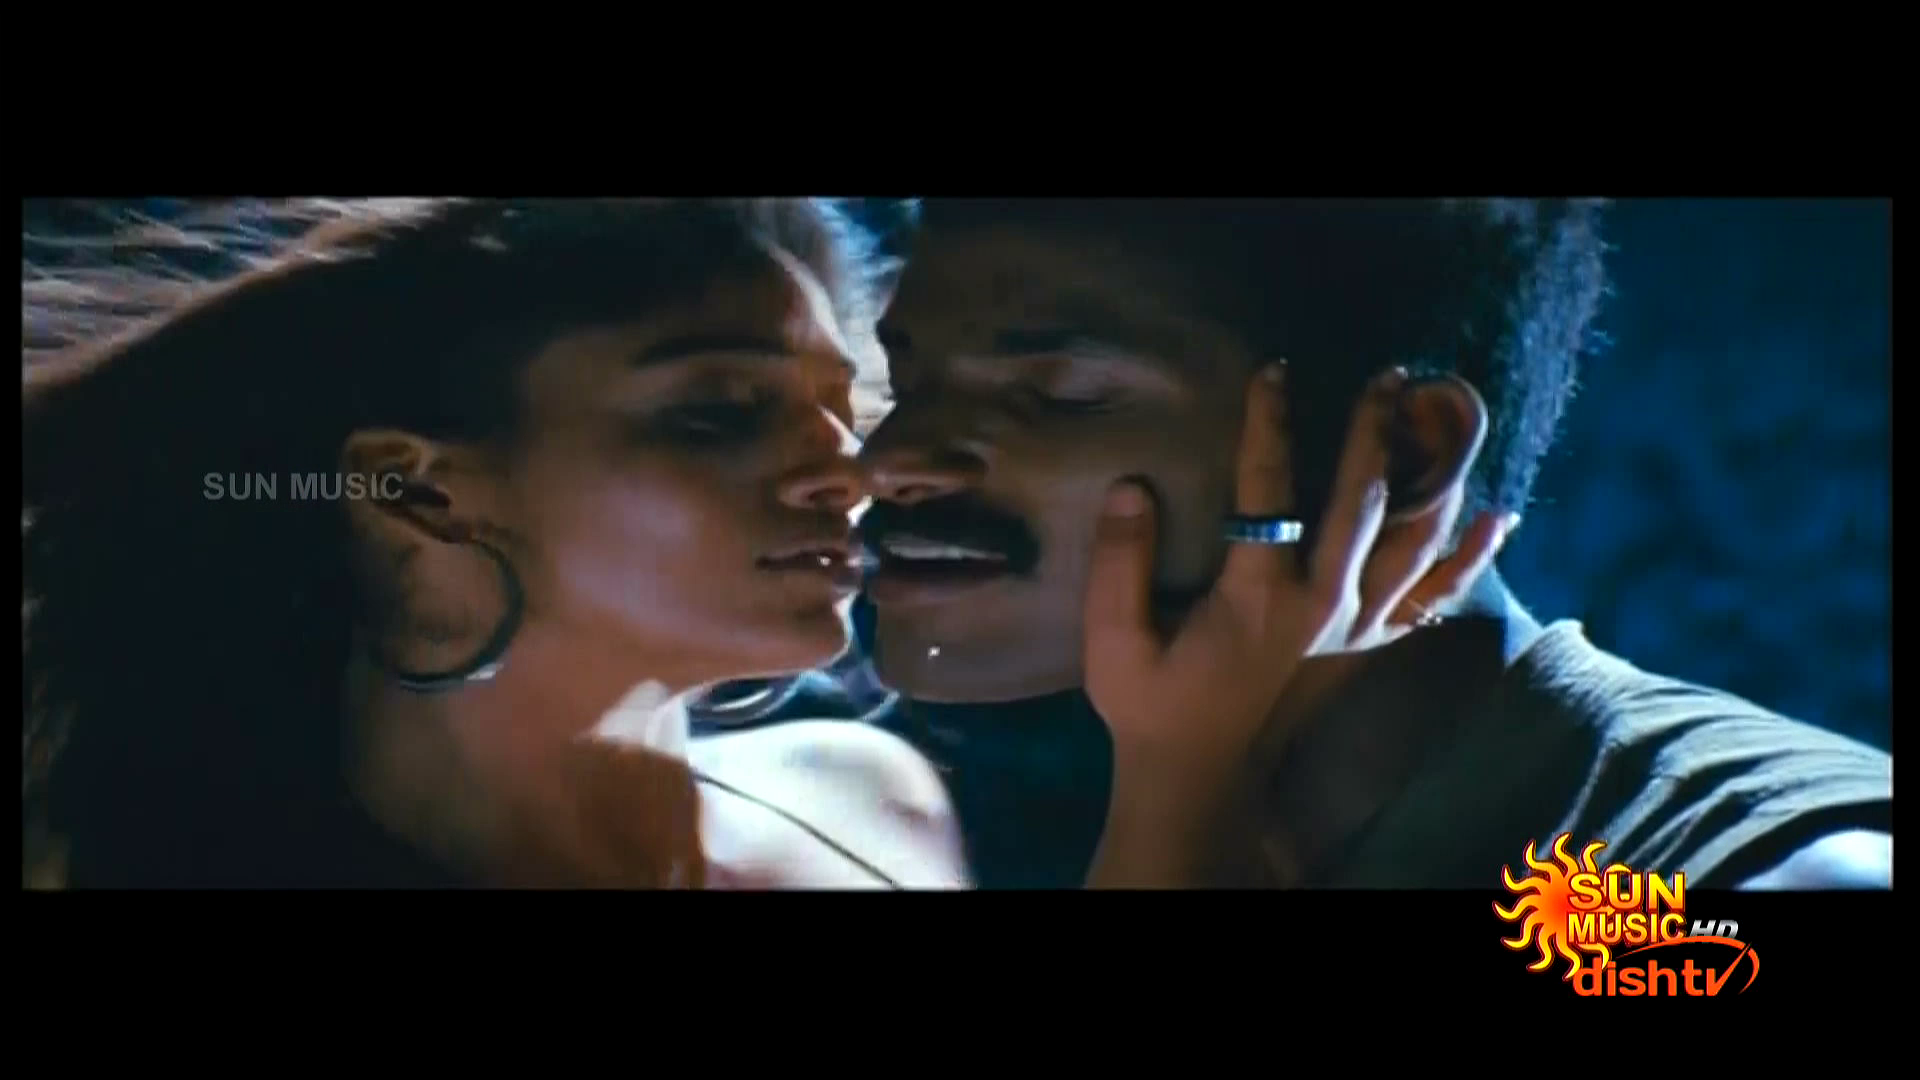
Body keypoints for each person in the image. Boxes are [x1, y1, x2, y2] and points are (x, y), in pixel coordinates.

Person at [850, 197, 1892, 889]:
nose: (892, 462)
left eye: (1058, 392)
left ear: (1410, 454)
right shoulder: (1003, 829)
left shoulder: (1726, 879)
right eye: (904, 383)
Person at [22, 197, 968, 889]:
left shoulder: (872, 798)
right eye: (720, 410)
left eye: (843, 414)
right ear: (419, 496)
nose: (851, 476)